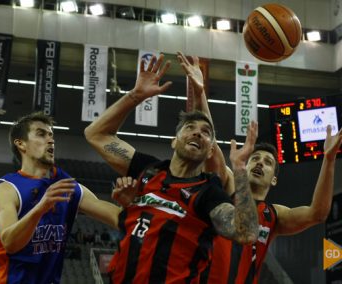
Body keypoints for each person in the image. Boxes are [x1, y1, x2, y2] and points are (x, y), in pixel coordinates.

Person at [85, 53, 260, 282]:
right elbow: (96, 135)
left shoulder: (208, 193)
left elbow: (246, 233)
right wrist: (136, 95)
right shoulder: (148, 171)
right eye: (189, 127)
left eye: (206, 132)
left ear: (210, 150)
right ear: (174, 140)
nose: (197, 132)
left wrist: (239, 170)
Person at [0, 112, 122, 284]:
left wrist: (130, 204)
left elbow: (118, 217)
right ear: (21, 144)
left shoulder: (66, 185)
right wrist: (41, 207)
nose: (50, 140)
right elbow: (10, 243)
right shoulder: (7, 188)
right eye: (41, 134)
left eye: (51, 135)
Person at [201, 128, 342, 283]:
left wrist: (329, 159)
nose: (260, 163)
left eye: (267, 162)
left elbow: (318, 213)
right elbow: (211, 148)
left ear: (274, 180)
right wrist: (201, 105)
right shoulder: (227, 188)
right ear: (245, 168)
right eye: (254, 159)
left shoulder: (274, 215)